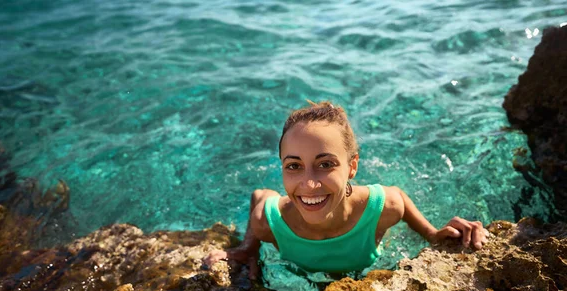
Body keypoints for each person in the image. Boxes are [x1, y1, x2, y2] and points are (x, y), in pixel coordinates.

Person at [203, 101, 489, 279]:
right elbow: (260, 202)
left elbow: (399, 197)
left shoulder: (383, 207)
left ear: (352, 167)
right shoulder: (268, 222)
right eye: (293, 166)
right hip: (276, 214)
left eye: (325, 163)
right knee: (263, 198)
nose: (310, 182)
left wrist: (436, 234)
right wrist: (247, 247)